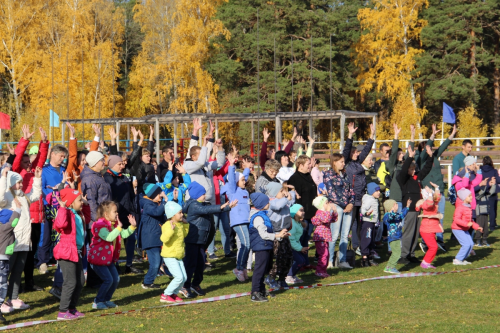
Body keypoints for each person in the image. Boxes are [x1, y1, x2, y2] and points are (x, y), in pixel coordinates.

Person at [180, 182, 235, 298]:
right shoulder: (194, 205)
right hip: (192, 240)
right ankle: (185, 286)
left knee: (200, 263)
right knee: (190, 264)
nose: (205, 195)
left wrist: (228, 207)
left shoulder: (202, 203)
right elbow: (207, 210)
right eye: (202, 193)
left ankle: (195, 284)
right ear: (196, 195)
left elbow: (208, 209)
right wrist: (220, 207)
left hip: (201, 240)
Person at [12, 125, 49, 292]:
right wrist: (25, 140)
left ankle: (29, 282)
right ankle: (15, 284)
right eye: (25, 162)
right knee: (19, 253)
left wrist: (44, 141)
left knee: (31, 251)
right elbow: (17, 156)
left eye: (29, 162)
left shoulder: (34, 171)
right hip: (23, 218)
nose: (28, 164)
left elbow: (41, 158)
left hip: (37, 217)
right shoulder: (17, 172)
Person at [0, 166, 42, 311]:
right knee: (5, 272)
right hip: (11, 242)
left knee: (18, 271)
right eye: (17, 182)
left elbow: (35, 196)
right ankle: (2, 300)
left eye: (21, 182)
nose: (21, 184)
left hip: (24, 241)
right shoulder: (6, 197)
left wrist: (37, 179)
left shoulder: (23, 196)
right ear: (10, 182)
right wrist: (4, 177)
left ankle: (13, 297)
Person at [88, 201, 137, 309]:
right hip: (98, 259)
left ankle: (106, 299)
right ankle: (98, 301)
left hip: (108, 260)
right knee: (108, 279)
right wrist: (119, 228)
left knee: (116, 279)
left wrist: (132, 227)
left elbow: (123, 234)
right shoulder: (99, 225)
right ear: (106, 214)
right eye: (115, 212)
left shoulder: (113, 225)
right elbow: (109, 237)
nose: (117, 214)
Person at [418, 124, 457, 253]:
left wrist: (452, 135)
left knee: (440, 215)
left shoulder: (434, 156)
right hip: (428, 192)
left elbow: (443, 147)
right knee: (429, 216)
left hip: (438, 190)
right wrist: (432, 135)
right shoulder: (421, 159)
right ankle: (425, 241)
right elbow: (424, 153)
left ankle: (439, 240)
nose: (430, 148)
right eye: (427, 147)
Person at [53, 188, 89, 320]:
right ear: (71, 203)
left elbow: (88, 217)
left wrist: (86, 203)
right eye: (79, 201)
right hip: (66, 252)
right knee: (70, 281)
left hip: (76, 252)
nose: (82, 203)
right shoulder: (66, 213)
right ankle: (63, 311)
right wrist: (62, 208)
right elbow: (60, 225)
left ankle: (72, 309)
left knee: (80, 281)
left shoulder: (79, 214)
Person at [103, 155, 143, 274]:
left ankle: (129, 265)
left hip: (128, 214)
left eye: (122, 163)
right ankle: (114, 264)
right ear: (112, 165)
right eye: (119, 164)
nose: (123, 166)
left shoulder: (125, 177)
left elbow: (130, 195)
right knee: (115, 241)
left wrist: (133, 210)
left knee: (131, 239)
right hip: (115, 215)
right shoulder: (107, 178)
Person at [397, 144, 434, 264]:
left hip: (418, 210)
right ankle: (404, 255)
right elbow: (403, 170)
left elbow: (427, 168)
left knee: (416, 233)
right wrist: (410, 157)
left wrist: (430, 156)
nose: (413, 171)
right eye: (410, 169)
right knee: (408, 232)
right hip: (409, 210)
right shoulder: (403, 179)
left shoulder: (417, 178)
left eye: (414, 169)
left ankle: (411, 254)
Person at [249, 192, 288, 302]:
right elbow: (263, 235)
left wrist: (281, 235)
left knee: (265, 269)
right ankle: (255, 292)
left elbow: (270, 233)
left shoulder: (264, 215)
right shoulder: (258, 218)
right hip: (261, 246)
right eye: (267, 201)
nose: (269, 202)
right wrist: (277, 235)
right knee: (259, 270)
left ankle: (261, 289)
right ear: (261, 204)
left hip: (266, 246)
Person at [343, 122, 375, 253]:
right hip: (351, 198)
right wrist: (350, 135)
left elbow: (367, 149)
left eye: (357, 152)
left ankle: (358, 246)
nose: (357, 153)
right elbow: (346, 149)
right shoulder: (347, 163)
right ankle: (346, 248)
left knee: (359, 223)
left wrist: (372, 135)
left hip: (361, 198)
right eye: (354, 152)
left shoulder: (357, 162)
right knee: (350, 224)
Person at [39, 144, 68, 274]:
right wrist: (53, 194)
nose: (63, 159)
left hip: (62, 207)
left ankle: (59, 259)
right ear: (53, 154)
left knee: (61, 234)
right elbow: (42, 188)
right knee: (46, 235)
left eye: (64, 156)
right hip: (48, 207)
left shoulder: (64, 169)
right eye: (61, 156)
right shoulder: (44, 171)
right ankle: (42, 262)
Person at [323, 153, 355, 269]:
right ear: (335, 162)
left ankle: (343, 260)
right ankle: (330, 261)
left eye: (343, 161)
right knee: (334, 235)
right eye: (341, 161)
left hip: (348, 207)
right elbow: (331, 192)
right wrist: (344, 204)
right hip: (337, 207)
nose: (343, 163)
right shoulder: (328, 174)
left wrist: (351, 203)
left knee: (345, 235)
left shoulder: (346, 174)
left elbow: (351, 190)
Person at [287, 155, 318, 267]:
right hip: (301, 214)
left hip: (310, 213)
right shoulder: (295, 178)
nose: (311, 166)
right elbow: (295, 199)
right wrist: (298, 215)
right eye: (308, 164)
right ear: (300, 165)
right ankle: (298, 262)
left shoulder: (308, 176)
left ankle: (305, 262)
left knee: (306, 238)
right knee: (299, 239)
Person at [225, 154, 251, 282]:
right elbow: (232, 179)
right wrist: (231, 165)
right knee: (246, 244)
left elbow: (243, 177)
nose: (244, 181)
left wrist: (246, 168)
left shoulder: (243, 190)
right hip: (238, 221)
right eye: (242, 180)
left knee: (247, 245)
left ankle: (242, 267)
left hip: (245, 220)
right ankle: (239, 268)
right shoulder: (233, 190)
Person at [265, 182, 295, 288]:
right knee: (278, 258)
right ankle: (270, 277)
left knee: (288, 257)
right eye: (281, 191)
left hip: (285, 233)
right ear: (274, 192)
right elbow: (278, 206)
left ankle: (282, 278)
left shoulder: (284, 201)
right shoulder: (271, 202)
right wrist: (287, 198)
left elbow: (292, 201)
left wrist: (292, 191)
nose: (283, 193)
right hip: (276, 235)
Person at [137, 183, 168, 289]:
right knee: (155, 263)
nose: (161, 195)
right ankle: (147, 282)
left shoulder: (153, 204)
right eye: (159, 194)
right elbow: (157, 212)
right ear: (153, 195)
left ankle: (149, 281)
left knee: (158, 261)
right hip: (150, 238)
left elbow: (161, 216)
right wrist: (164, 201)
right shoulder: (147, 205)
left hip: (155, 237)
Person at [160, 202, 189, 303]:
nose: (182, 215)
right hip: (169, 256)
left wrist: (186, 225)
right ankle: (165, 294)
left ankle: (173, 293)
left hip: (178, 255)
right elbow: (164, 239)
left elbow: (184, 234)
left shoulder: (180, 224)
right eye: (180, 213)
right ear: (172, 215)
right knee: (179, 277)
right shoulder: (167, 225)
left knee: (184, 277)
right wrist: (171, 231)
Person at [0, 199, 21, 321]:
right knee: (2, 285)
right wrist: (18, 209)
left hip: (3, 260)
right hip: (2, 261)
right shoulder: (4, 229)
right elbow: (14, 221)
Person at [452, 188, 482, 265]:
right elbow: (456, 219)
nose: (471, 197)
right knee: (466, 244)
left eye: (471, 195)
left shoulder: (468, 207)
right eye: (469, 196)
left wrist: (477, 227)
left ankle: (462, 259)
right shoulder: (460, 207)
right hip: (457, 229)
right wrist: (466, 224)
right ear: (464, 198)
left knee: (471, 244)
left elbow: (470, 221)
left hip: (464, 229)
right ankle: (457, 259)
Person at [416, 184, 443, 269]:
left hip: (431, 229)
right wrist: (430, 193)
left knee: (433, 247)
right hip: (427, 229)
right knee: (433, 247)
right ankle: (425, 263)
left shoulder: (433, 202)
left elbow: (437, 198)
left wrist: (437, 188)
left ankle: (426, 262)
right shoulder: (425, 204)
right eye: (431, 194)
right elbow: (429, 204)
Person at [311, 196, 337, 278]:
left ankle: (323, 270)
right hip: (320, 237)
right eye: (326, 203)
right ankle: (319, 271)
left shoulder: (326, 212)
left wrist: (334, 211)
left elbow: (333, 219)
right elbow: (326, 219)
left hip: (325, 236)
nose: (328, 204)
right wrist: (329, 210)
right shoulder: (319, 212)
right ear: (321, 205)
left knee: (326, 254)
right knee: (323, 254)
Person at [382, 199, 409, 274]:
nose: (397, 206)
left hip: (398, 237)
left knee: (395, 253)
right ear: (392, 207)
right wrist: (392, 211)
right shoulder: (388, 215)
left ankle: (388, 267)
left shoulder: (397, 215)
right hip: (393, 238)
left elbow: (402, 215)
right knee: (397, 253)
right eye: (396, 204)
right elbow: (388, 218)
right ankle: (392, 267)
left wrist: (407, 207)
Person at [360, 183, 380, 267]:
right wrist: (366, 213)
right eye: (377, 191)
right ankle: (364, 259)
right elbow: (363, 208)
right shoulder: (369, 199)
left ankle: (370, 257)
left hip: (372, 223)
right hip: (367, 223)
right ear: (372, 192)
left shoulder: (374, 199)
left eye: (379, 190)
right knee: (366, 239)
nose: (379, 192)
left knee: (371, 241)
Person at [286, 204, 306, 284]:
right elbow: (291, 239)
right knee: (299, 261)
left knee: (302, 260)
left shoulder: (298, 222)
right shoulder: (293, 223)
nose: (303, 212)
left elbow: (296, 239)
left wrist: (300, 248)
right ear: (294, 212)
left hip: (295, 246)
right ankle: (288, 276)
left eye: (303, 210)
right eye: (301, 210)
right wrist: (300, 248)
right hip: (290, 246)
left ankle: (293, 275)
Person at [479, 156, 500, 231]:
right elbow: (498, 180)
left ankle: (482, 225)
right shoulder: (494, 170)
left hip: (483, 190)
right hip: (493, 191)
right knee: (492, 210)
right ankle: (492, 226)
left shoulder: (480, 170)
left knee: (482, 209)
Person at [474, 176, 496, 247]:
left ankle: (484, 240)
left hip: (485, 212)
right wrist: (485, 184)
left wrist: (493, 184)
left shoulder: (486, 195)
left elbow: (491, 192)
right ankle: (477, 241)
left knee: (486, 228)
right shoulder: (477, 195)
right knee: (480, 227)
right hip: (479, 213)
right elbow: (482, 192)